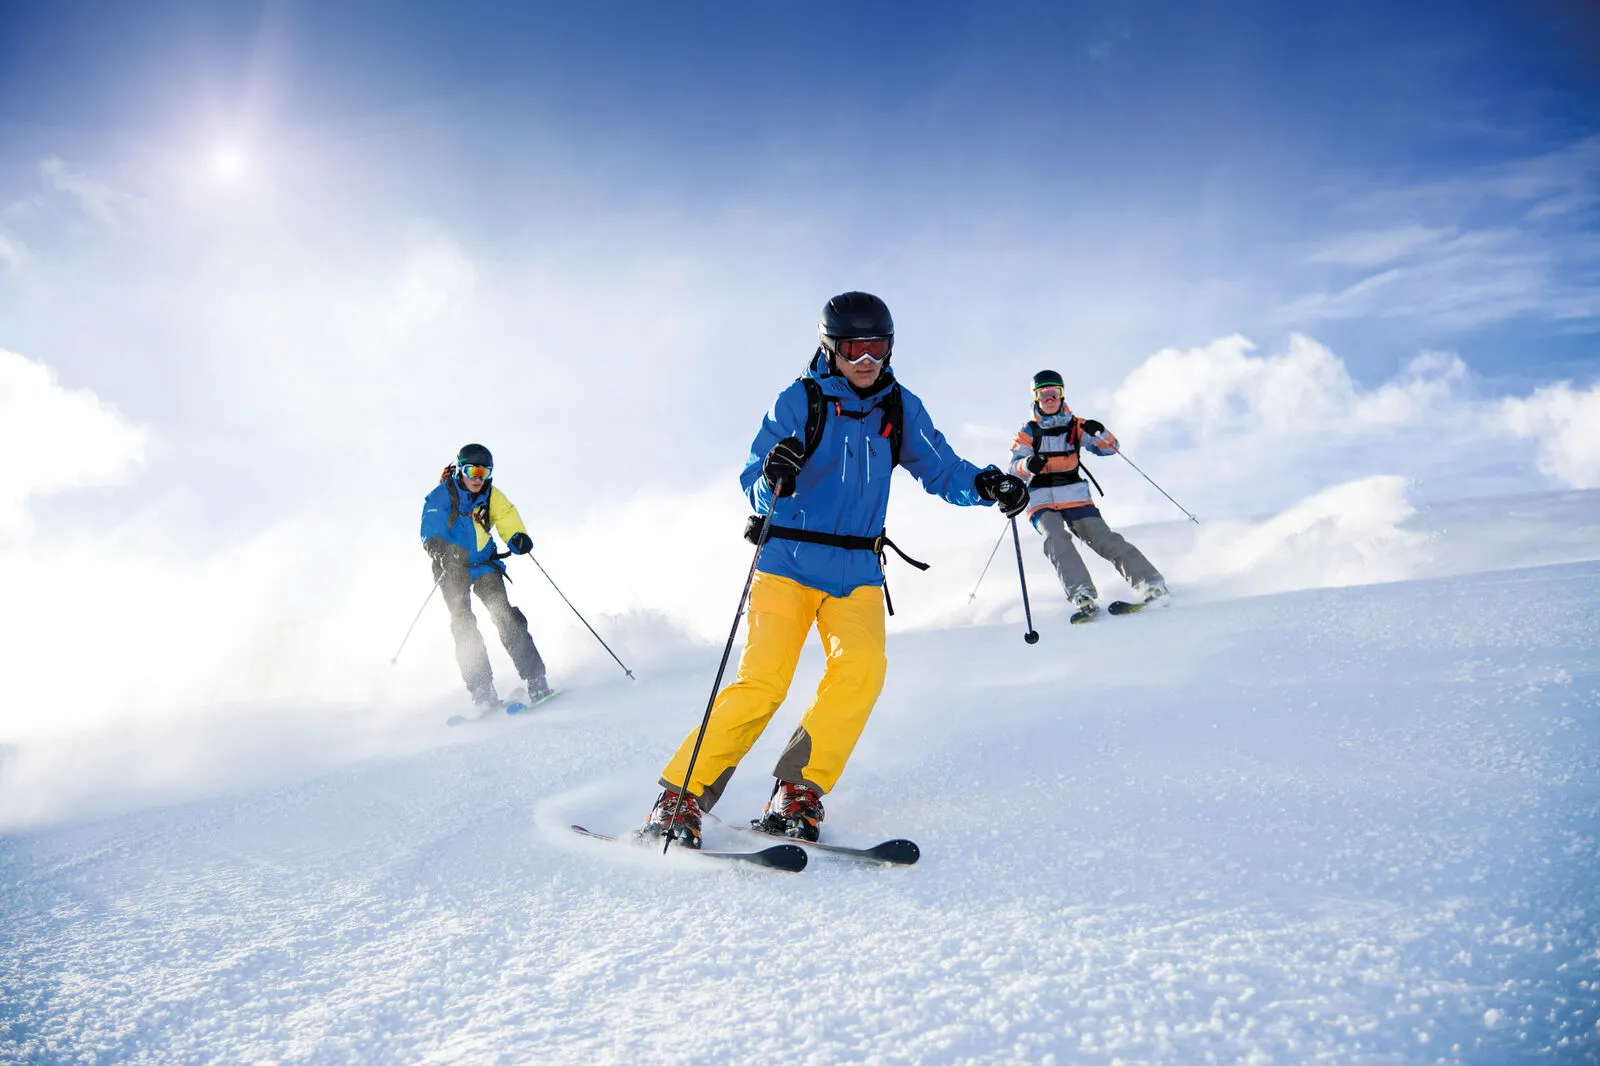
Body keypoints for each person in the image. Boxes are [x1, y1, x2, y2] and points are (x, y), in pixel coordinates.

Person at [639, 292, 1030, 848]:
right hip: (787, 564)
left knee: (863, 672)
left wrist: (987, 485)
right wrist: (773, 470)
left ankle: (796, 791)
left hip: (857, 570)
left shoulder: (900, 407)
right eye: (854, 348)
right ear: (831, 348)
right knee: (764, 682)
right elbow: (754, 475)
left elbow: (942, 469)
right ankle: (679, 795)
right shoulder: (800, 400)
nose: (867, 360)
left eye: (877, 348)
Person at [1009, 370, 1167, 618]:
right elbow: (1014, 467)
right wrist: (1028, 465)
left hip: (1074, 495)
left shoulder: (1076, 425)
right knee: (1055, 538)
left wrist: (1101, 432)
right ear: (1036, 398)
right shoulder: (1027, 432)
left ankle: (1150, 583)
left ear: (1062, 395)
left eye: (1054, 392)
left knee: (1103, 538)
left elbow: (1110, 449)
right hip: (1040, 499)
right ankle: (1082, 594)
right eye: (1043, 394)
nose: (1049, 398)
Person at [419, 444, 553, 713]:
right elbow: (430, 527)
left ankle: (536, 679)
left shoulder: (492, 496)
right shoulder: (442, 495)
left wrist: (517, 537)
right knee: (463, 623)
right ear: (460, 469)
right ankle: (482, 688)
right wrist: (441, 550)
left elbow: (506, 516)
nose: (478, 478)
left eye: (484, 472)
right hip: (452, 567)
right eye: (472, 471)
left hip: (483, 565)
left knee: (504, 615)